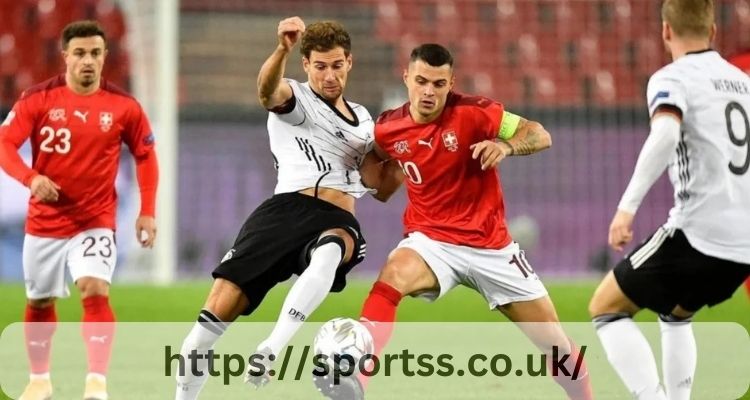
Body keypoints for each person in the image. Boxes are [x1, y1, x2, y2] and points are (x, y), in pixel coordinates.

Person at [314, 43, 593, 400]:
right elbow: (383, 165)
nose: (429, 91)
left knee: (557, 347)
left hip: (492, 247)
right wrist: (371, 177)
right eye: (421, 81)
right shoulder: (388, 127)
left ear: (451, 83)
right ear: (407, 78)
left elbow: (539, 133)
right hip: (431, 242)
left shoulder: (477, 113)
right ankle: (356, 382)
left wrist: (506, 146)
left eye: (438, 84)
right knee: (393, 274)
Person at [174, 17, 373, 399]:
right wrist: (282, 48)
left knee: (332, 249)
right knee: (206, 328)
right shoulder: (297, 99)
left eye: (336, 65)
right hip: (282, 213)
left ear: (349, 62)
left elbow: (380, 180)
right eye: (319, 66)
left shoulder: (364, 119)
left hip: (336, 217)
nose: (328, 75)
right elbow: (267, 92)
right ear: (306, 65)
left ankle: (272, 347)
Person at [588, 1, 750, 399]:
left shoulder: (672, 78)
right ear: (713, 32)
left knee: (606, 308)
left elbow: (664, 135)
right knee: (676, 314)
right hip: (743, 244)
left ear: (665, 31)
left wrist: (626, 208)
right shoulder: (743, 82)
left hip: (698, 233)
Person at [0, 20, 159, 400]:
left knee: (94, 288)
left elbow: (146, 156)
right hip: (45, 222)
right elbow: (5, 146)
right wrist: (30, 178)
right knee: (39, 300)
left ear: (105, 57)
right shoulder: (38, 99)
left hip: (95, 221)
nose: (88, 61)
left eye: (96, 53)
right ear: (66, 56)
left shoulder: (124, 107)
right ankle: (39, 380)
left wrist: (147, 210)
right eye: (81, 53)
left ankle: (96, 384)